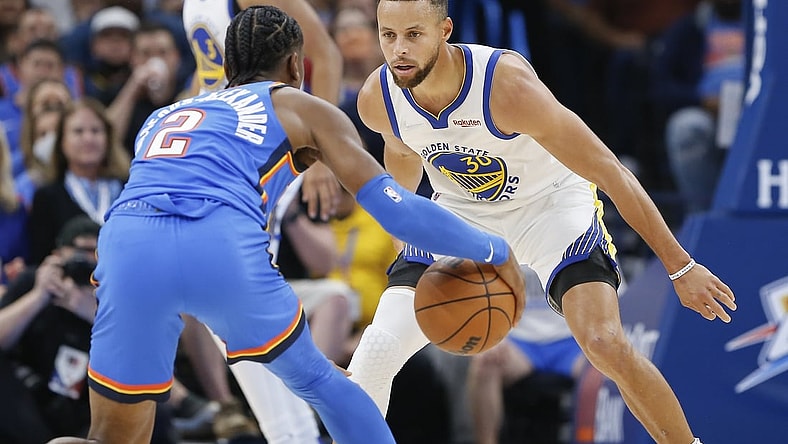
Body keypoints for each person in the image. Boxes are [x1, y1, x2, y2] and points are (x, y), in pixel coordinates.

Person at [45, 6, 524, 444]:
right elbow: (396, 207)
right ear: (297, 66)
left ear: (226, 68)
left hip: (128, 245)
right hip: (215, 240)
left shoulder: (165, 115)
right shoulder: (298, 105)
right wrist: (493, 248)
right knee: (324, 384)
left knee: (109, 439)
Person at [345, 2, 737, 444]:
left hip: (550, 206)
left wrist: (680, 267)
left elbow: (611, 171)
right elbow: (400, 152)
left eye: (413, 35)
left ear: (445, 30)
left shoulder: (505, 85)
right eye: (388, 35)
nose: (398, 49)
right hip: (460, 212)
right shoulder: (378, 97)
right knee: (376, 351)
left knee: (605, 344)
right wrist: (405, 234)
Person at [182, 2, 348, 442]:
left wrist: (319, 152)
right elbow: (210, 74)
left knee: (240, 301)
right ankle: (296, 423)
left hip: (261, 146)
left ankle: (297, 424)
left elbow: (326, 55)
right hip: (220, 150)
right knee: (233, 309)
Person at [0, 215, 176, 444]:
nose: (88, 260)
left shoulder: (117, 294)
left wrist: (96, 315)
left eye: (97, 252)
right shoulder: (33, 281)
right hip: (29, 404)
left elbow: (154, 370)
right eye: (81, 250)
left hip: (87, 414)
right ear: (58, 254)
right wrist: (38, 296)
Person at [467, 266, 586, 444]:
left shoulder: (583, 240)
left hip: (572, 341)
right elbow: (480, 292)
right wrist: (490, 335)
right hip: (520, 341)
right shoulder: (502, 240)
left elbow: (614, 296)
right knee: (484, 363)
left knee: (604, 372)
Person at [651, 0, 744, 215]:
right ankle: (705, 216)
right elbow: (660, 85)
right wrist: (701, 100)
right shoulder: (690, 27)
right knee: (686, 127)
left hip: (760, 114)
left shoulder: (771, 26)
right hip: (709, 114)